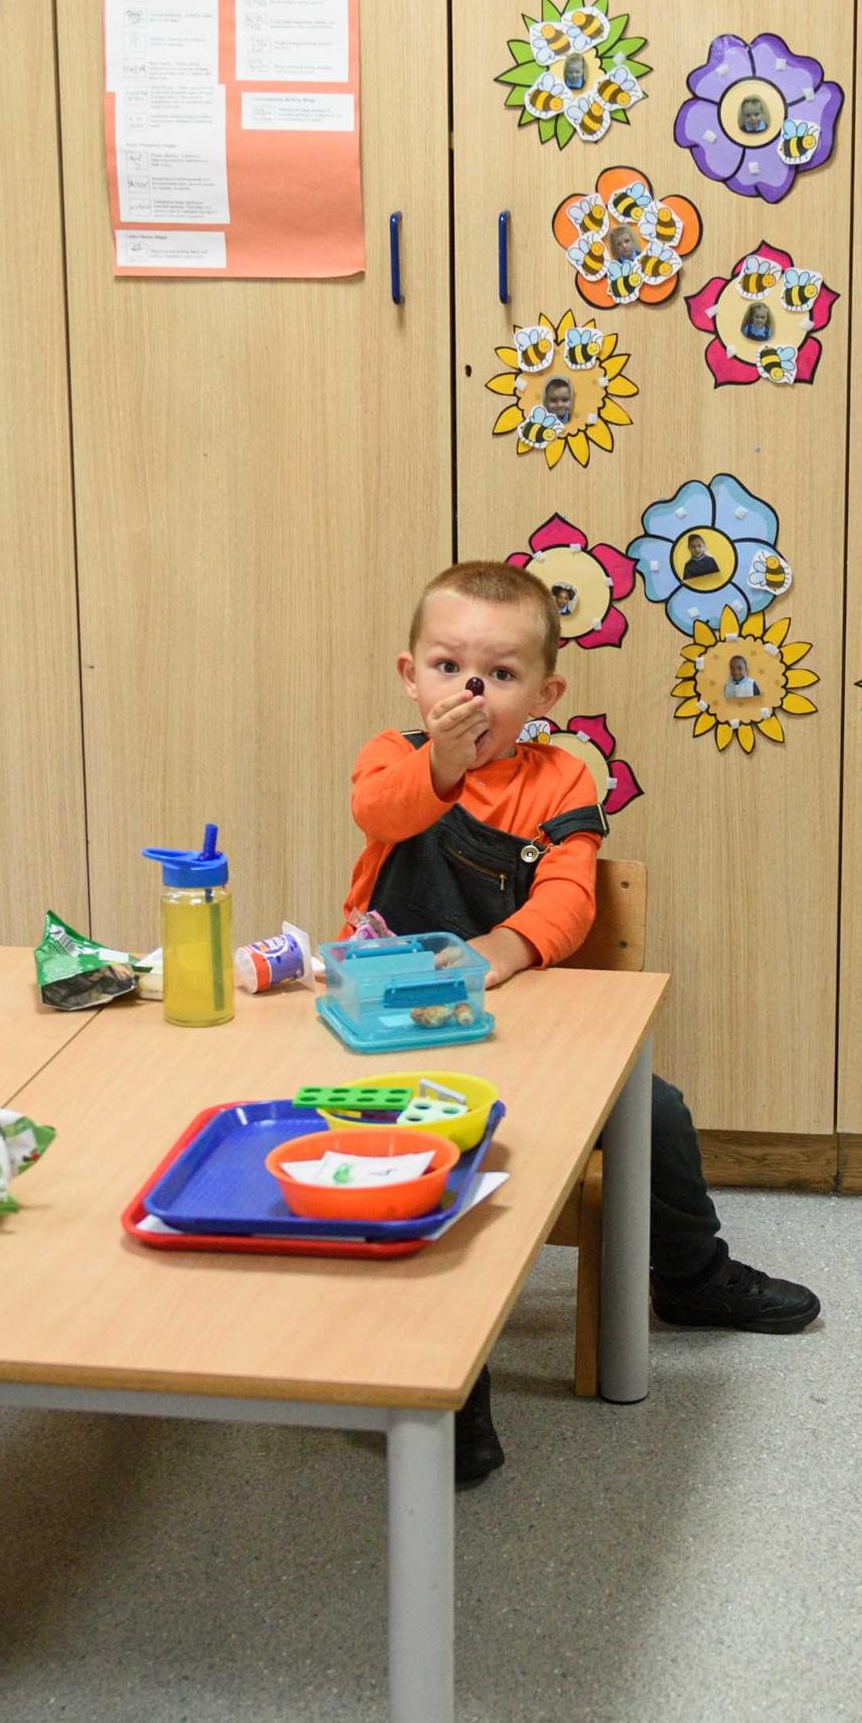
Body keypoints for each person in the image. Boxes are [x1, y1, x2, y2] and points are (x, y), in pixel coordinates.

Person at [349, 561, 819, 1486]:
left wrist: (504, 950)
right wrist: (440, 765)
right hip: (394, 1028)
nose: (469, 693)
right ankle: (453, 1381)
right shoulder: (387, 761)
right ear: (411, 675)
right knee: (431, 1163)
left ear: (546, 692)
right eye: (448, 668)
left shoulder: (563, 775)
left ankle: (689, 1276)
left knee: (661, 1111)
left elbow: (569, 898)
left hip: (530, 1018)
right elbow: (383, 812)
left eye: (500, 675)